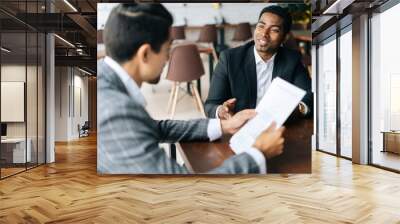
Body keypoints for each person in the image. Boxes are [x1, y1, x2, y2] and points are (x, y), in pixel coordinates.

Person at [98, 3, 285, 174]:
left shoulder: (105, 83)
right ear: (145, 53)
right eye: (167, 49)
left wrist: (224, 125)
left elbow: (155, 128)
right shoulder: (117, 110)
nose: (168, 58)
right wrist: (258, 153)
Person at [204, 5, 312, 120]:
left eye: (274, 30)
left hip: (278, 127)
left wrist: (298, 109)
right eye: (261, 26)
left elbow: (309, 97)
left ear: (284, 37)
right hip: (240, 127)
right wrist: (222, 111)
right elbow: (210, 105)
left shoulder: (292, 59)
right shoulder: (229, 59)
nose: (264, 34)